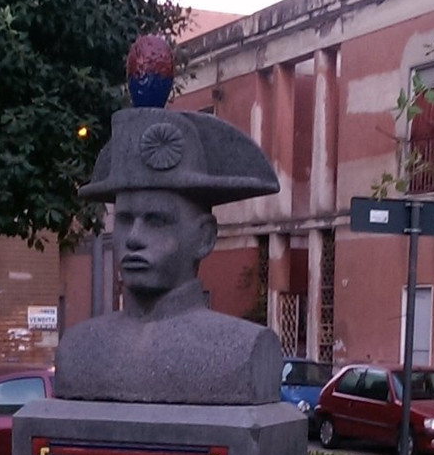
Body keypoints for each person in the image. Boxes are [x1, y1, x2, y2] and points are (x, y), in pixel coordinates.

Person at [54, 106, 283, 405]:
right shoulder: (78, 350)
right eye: (125, 220)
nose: (134, 238)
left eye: (156, 221)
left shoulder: (244, 349)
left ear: (204, 238)